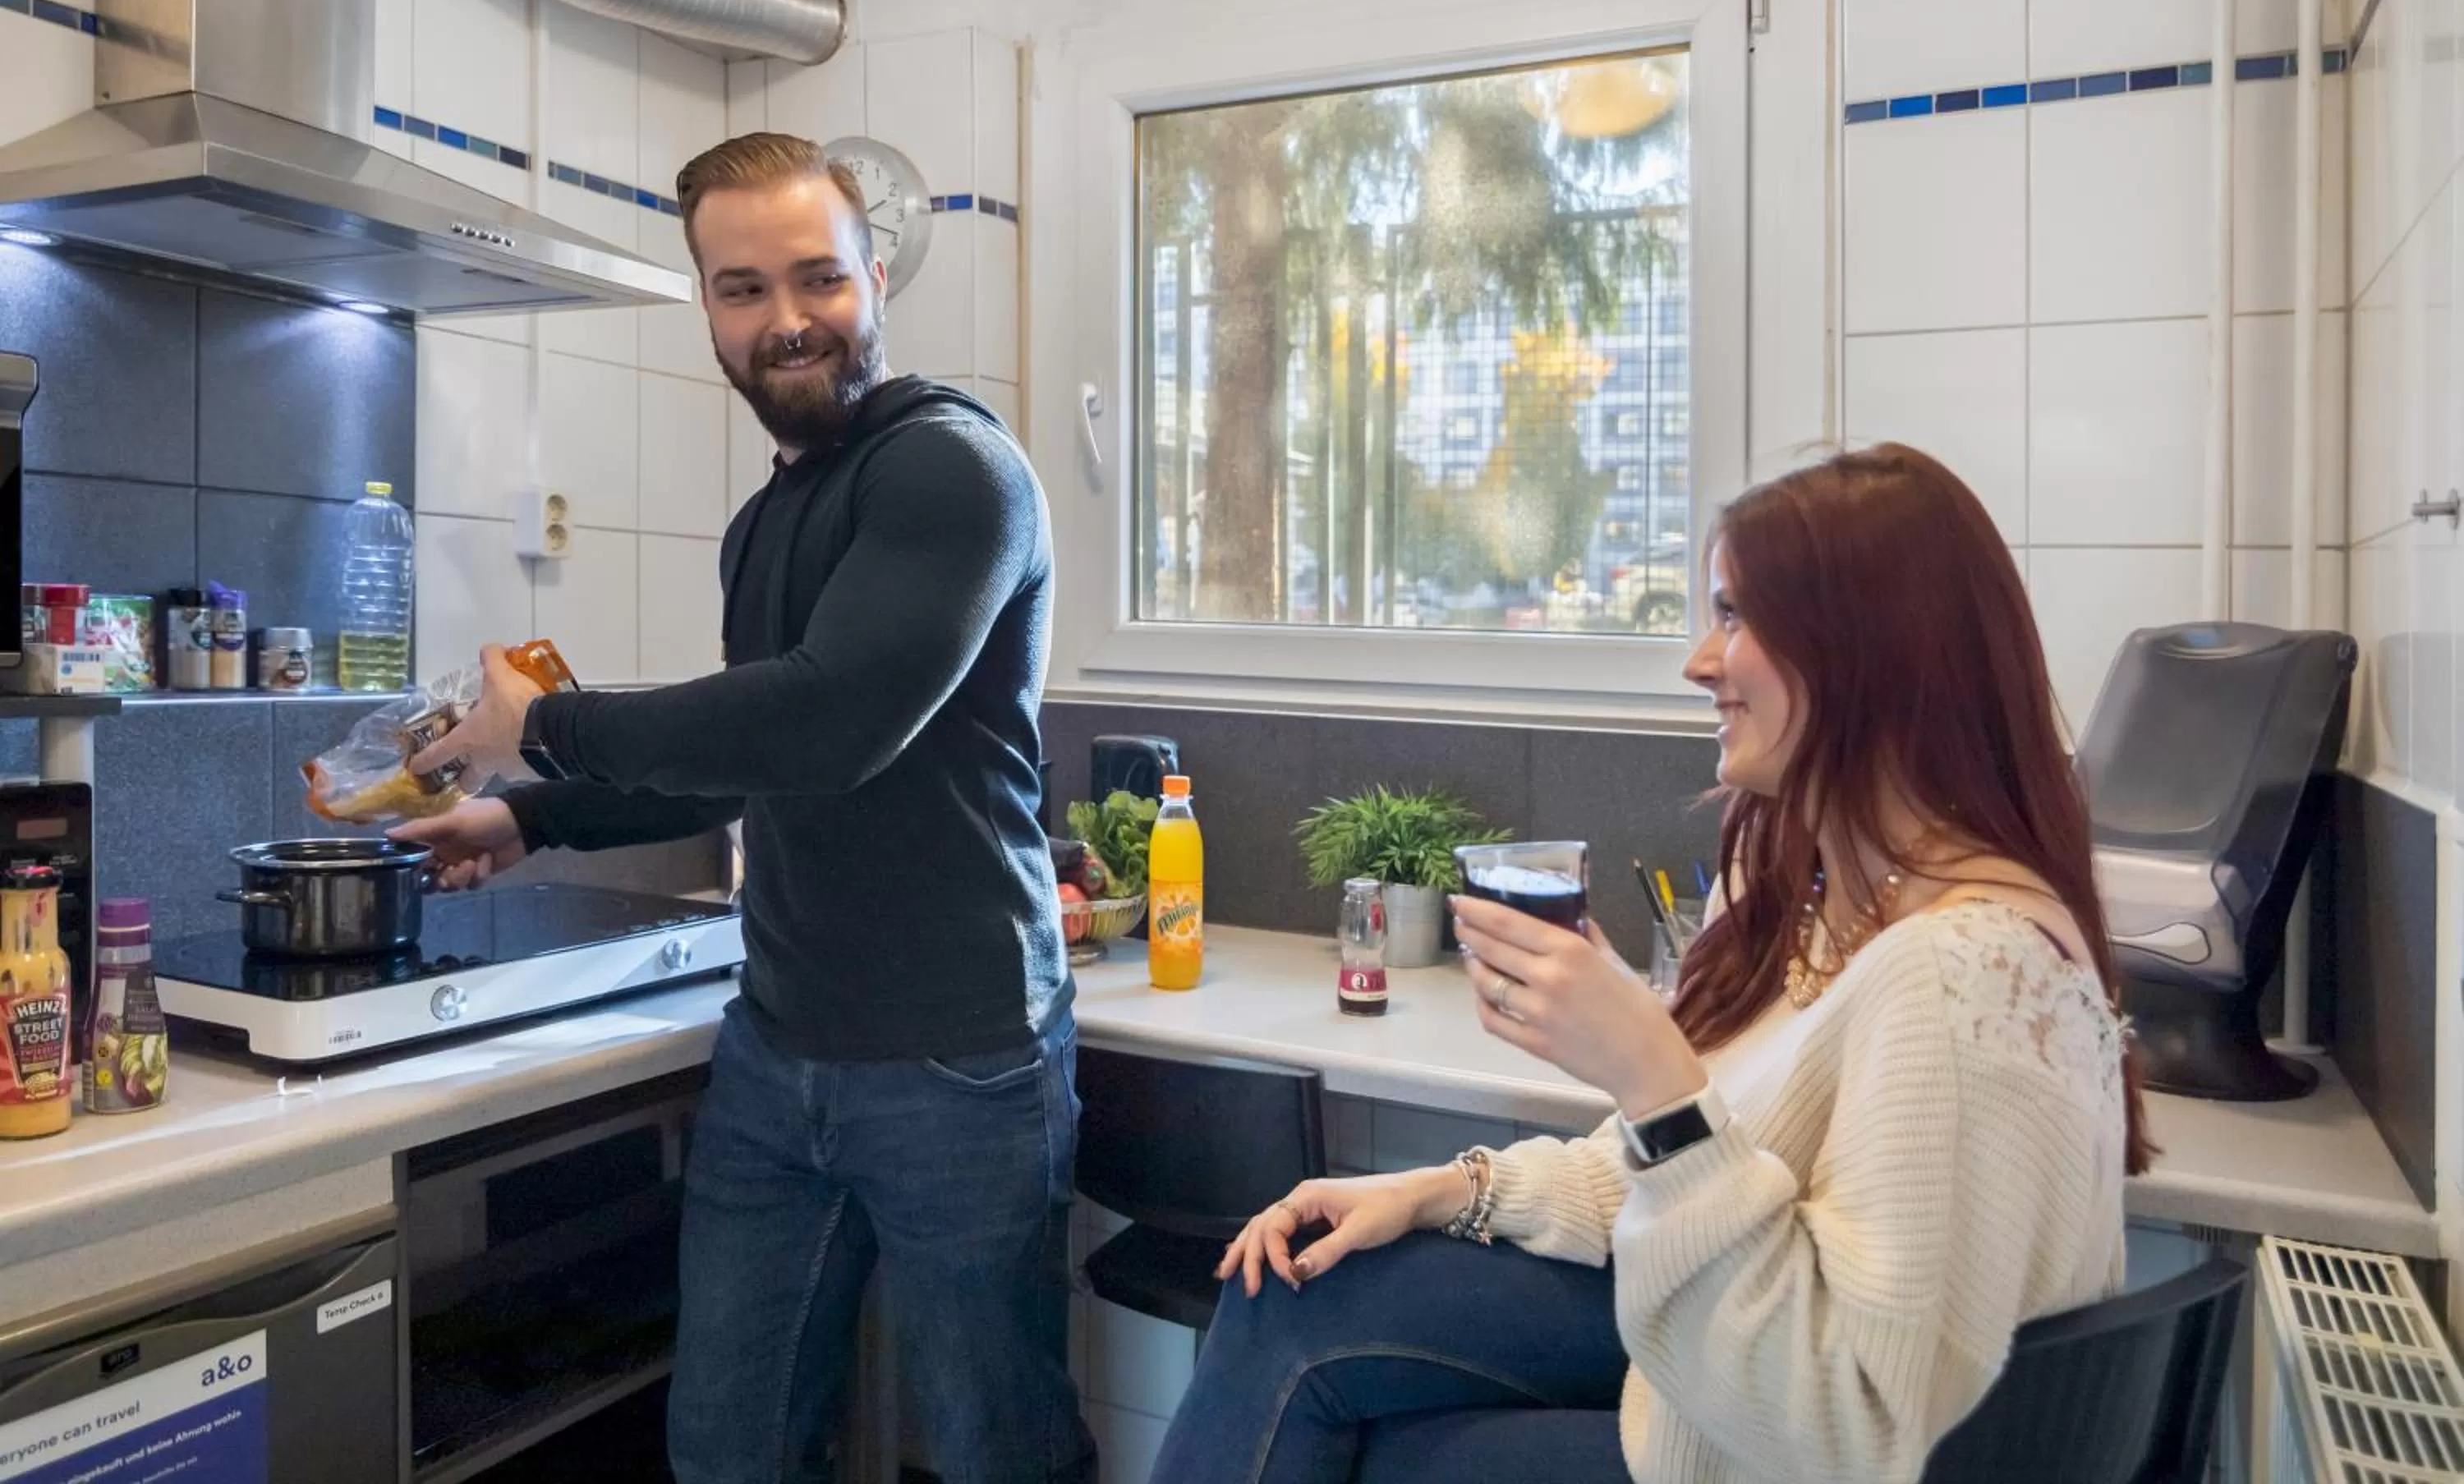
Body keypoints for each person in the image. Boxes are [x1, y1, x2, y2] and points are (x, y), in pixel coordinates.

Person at [1153, 443, 2152, 1484]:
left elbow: (1849, 1427)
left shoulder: (1962, 972)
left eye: (1734, 616)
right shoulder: (1828, 906)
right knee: (1298, 1294)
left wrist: (1655, 1082)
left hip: (1776, 1445)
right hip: (1716, 1382)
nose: (1699, 660)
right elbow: (1684, 1182)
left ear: (1869, 652)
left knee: (1392, 1454)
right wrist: (1442, 1188)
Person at [396, 133, 1097, 1484]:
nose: (787, 322)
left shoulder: (956, 473)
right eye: (742, 289)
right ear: (705, 305)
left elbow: (827, 724)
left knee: (993, 1450)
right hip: (779, 1051)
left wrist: (540, 720)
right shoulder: (765, 520)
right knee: (731, 1447)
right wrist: (533, 817)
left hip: (958, 1061)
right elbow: (746, 758)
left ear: (876, 277)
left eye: (817, 279)